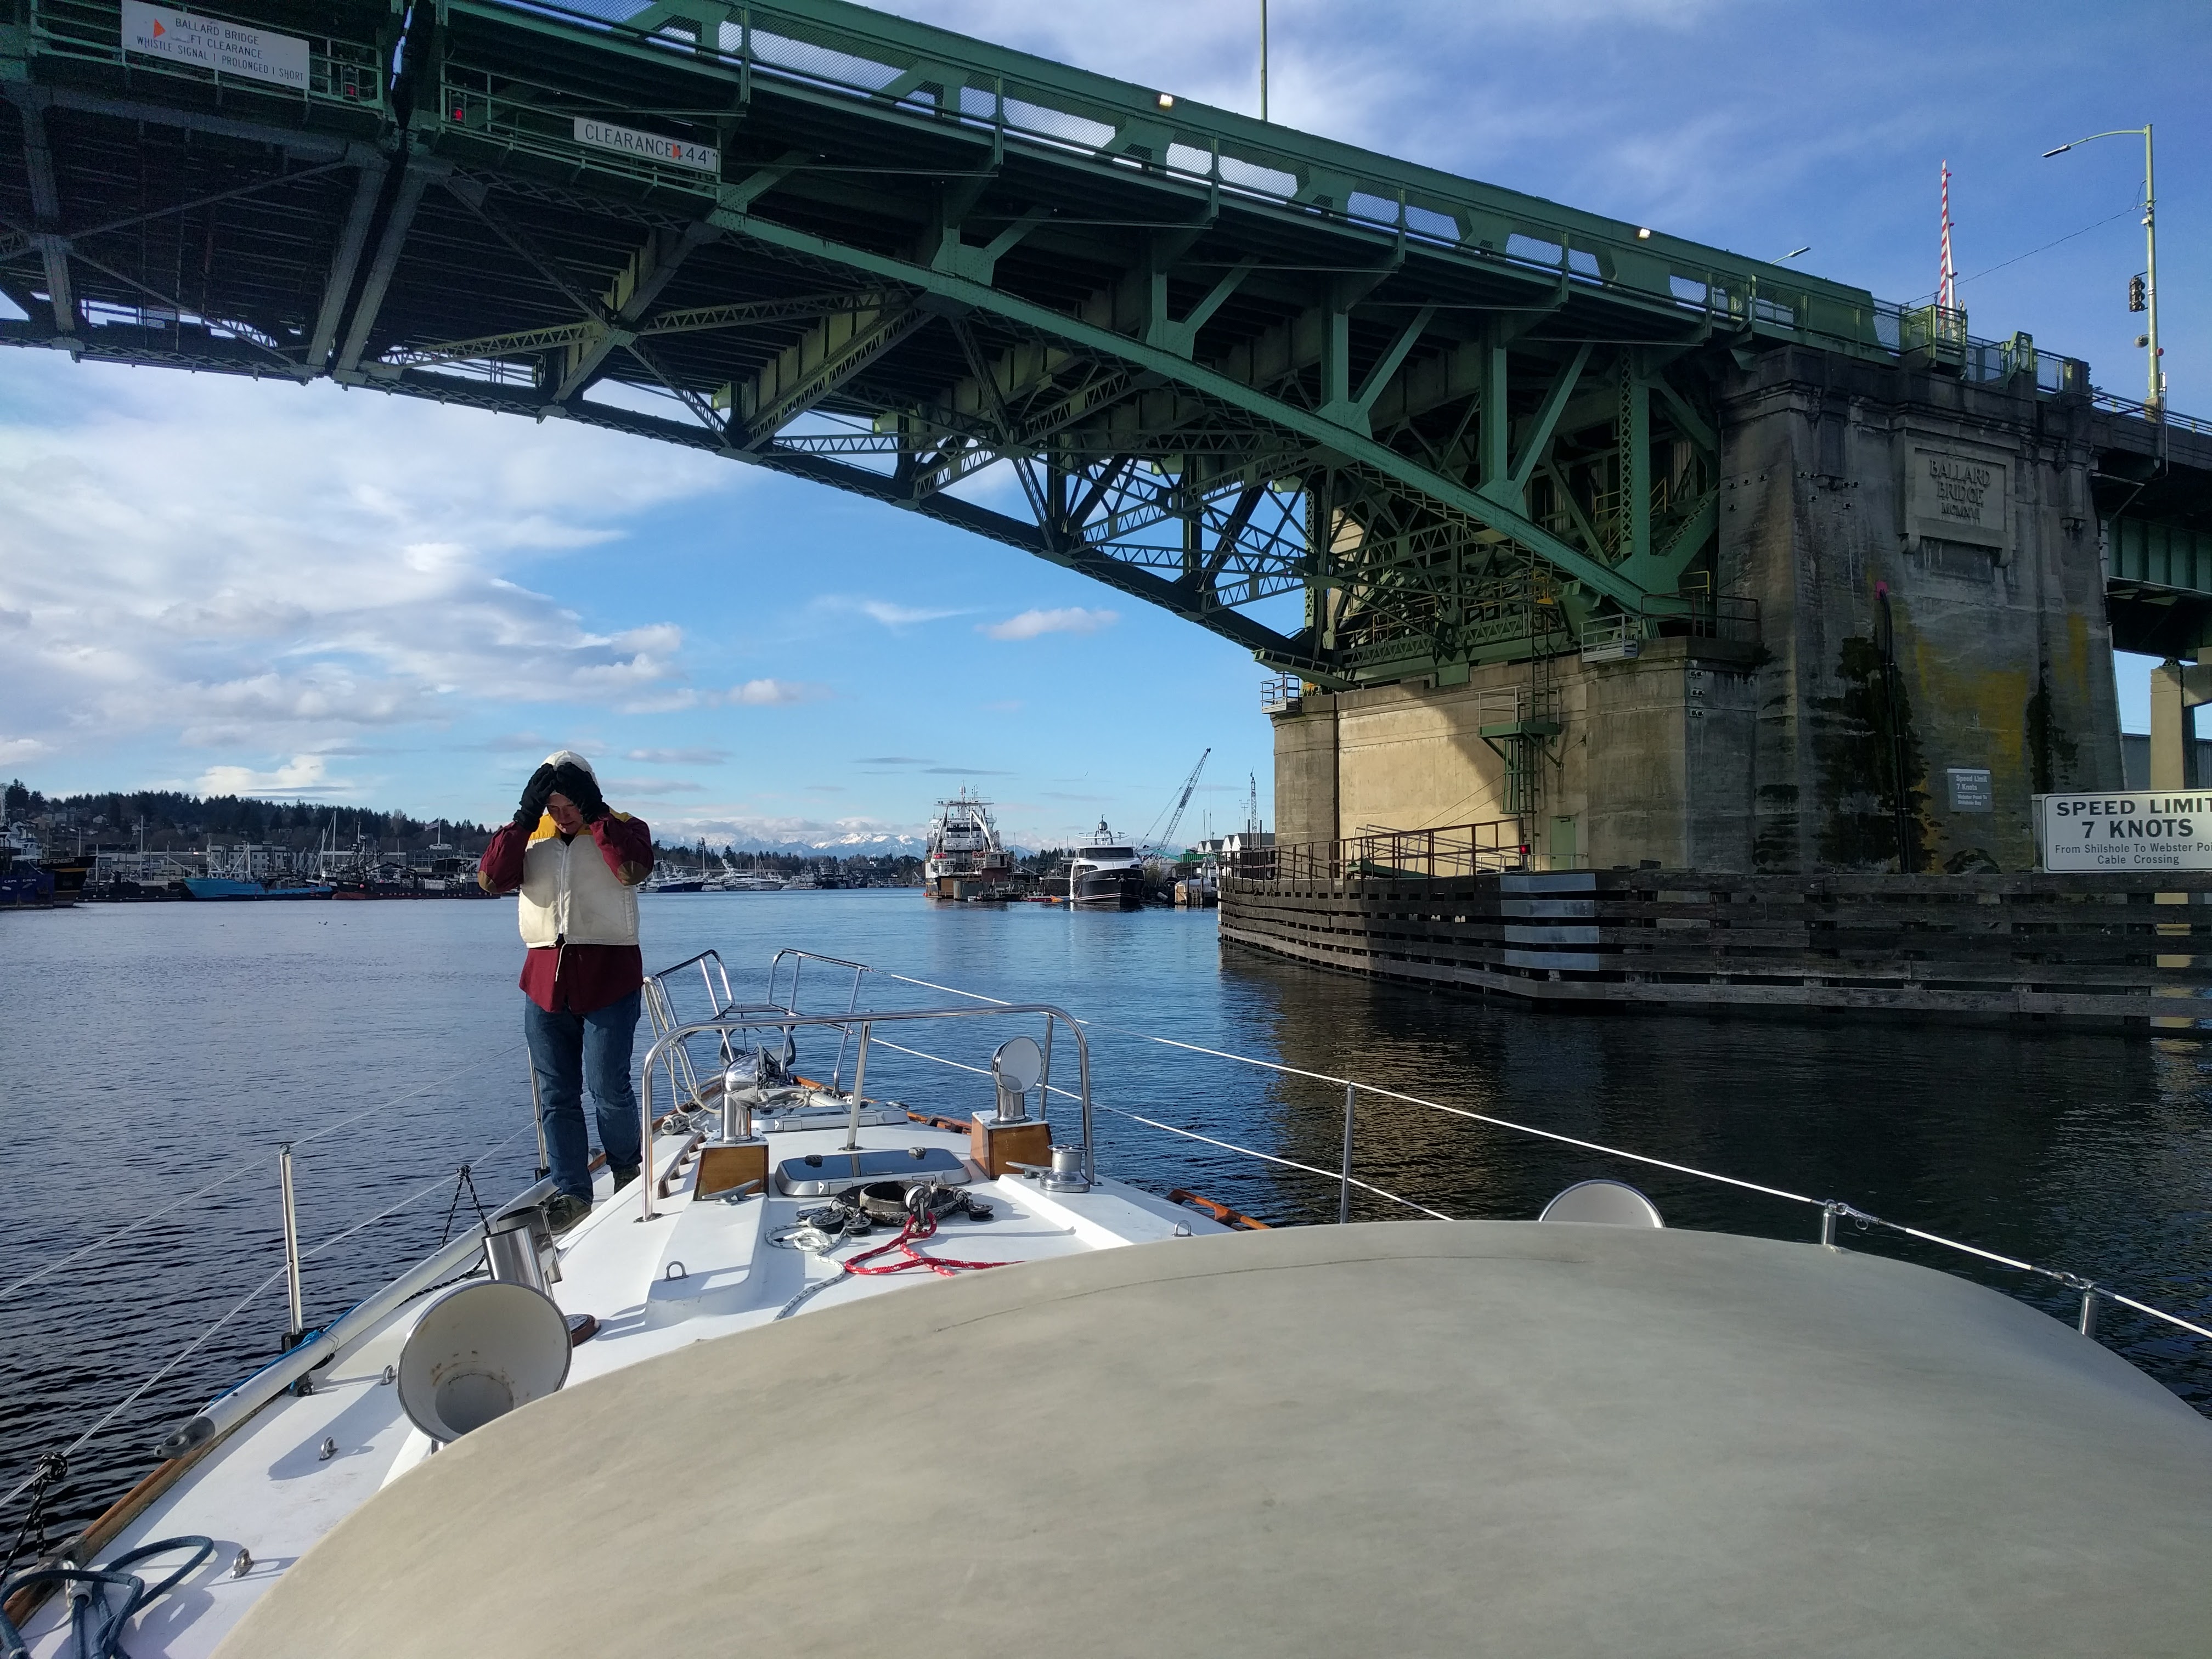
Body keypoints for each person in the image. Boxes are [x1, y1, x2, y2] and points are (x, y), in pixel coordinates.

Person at [477, 751, 656, 1231]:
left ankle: (626, 1173)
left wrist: (596, 814)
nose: (561, 814)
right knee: (556, 1094)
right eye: (552, 805)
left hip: (609, 978)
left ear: (589, 794)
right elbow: (491, 879)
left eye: (569, 803)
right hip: (544, 983)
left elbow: (633, 870)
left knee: (608, 1088)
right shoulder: (528, 838)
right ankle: (573, 1191)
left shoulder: (624, 827)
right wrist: (522, 818)